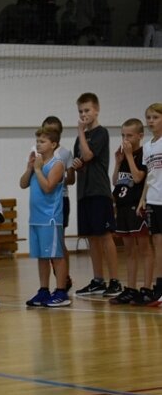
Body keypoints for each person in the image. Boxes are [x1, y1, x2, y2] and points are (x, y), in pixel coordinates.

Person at [70, 93, 122, 298]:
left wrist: (81, 133)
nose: (83, 114)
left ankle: (115, 281)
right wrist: (76, 166)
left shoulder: (101, 133)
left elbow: (89, 154)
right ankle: (98, 280)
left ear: (97, 110)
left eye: (87, 110)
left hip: (99, 191)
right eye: (80, 111)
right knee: (91, 237)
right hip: (84, 192)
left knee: (105, 235)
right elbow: (81, 161)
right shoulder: (78, 139)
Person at [20, 126, 70, 307]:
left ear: (53, 144)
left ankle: (62, 292)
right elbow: (23, 184)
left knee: (56, 256)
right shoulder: (37, 164)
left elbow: (48, 187)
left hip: (50, 218)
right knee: (42, 256)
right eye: (37, 141)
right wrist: (30, 168)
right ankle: (43, 290)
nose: (38, 145)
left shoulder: (57, 164)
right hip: (36, 218)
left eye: (42, 142)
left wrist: (39, 170)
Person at [109, 119, 152, 305]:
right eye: (123, 135)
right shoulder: (124, 156)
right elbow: (116, 181)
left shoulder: (143, 154)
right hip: (123, 207)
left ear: (140, 136)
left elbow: (137, 177)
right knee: (128, 251)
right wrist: (118, 162)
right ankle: (131, 288)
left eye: (129, 135)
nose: (125, 139)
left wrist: (128, 156)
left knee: (144, 249)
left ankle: (147, 288)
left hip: (137, 207)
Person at [43, 115, 74, 291]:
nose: (50, 133)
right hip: (43, 201)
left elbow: (71, 180)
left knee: (59, 241)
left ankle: (63, 277)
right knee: (46, 242)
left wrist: (64, 173)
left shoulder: (65, 153)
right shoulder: (37, 151)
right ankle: (47, 284)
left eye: (53, 131)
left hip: (60, 199)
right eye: (47, 130)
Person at [138, 103, 162, 305]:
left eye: (155, 117)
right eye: (148, 117)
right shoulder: (147, 147)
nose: (151, 121)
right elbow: (150, 176)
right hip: (153, 199)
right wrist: (142, 198)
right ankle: (160, 286)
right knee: (157, 245)